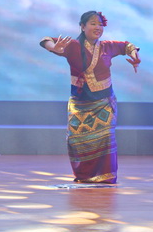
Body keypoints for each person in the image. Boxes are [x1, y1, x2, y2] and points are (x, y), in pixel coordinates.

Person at [40, 11, 140, 184]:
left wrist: (134, 54)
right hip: (80, 103)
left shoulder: (107, 46)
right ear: (82, 26)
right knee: (77, 141)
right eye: (93, 23)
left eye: (100, 24)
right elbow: (45, 39)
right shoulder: (72, 46)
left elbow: (127, 46)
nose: (98, 27)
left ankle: (105, 177)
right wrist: (53, 48)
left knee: (104, 139)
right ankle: (85, 176)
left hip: (104, 103)